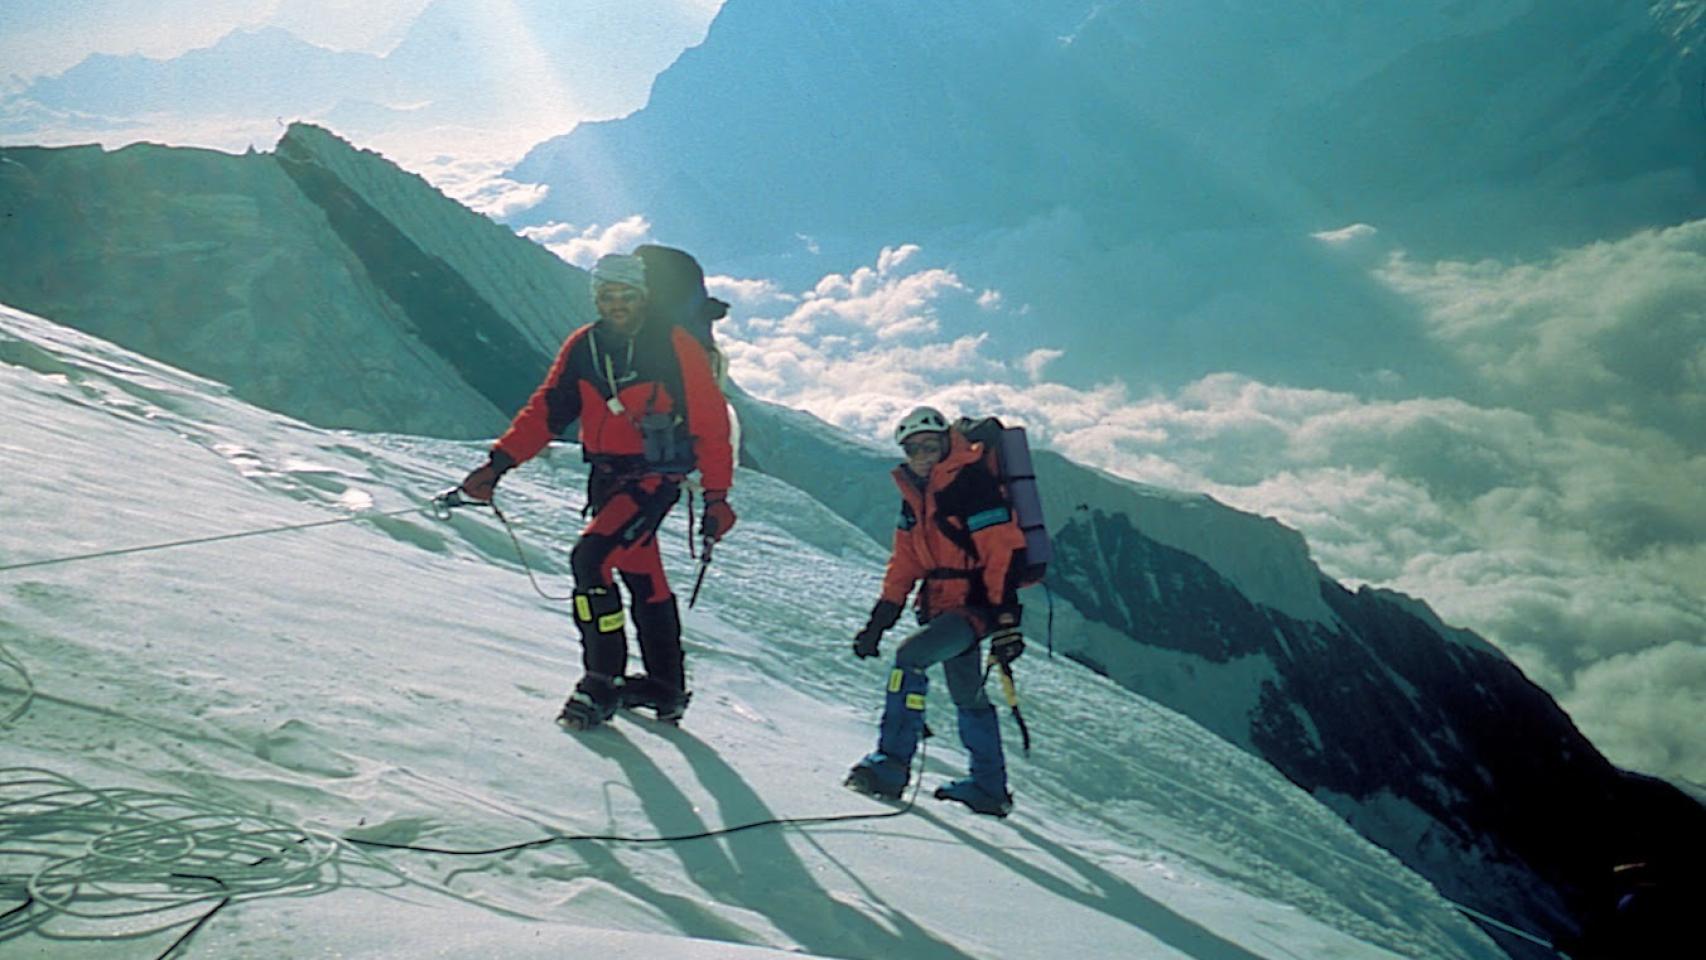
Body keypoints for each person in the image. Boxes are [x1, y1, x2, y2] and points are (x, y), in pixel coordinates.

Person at [457, 251, 736, 729]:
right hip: (608, 477)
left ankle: (600, 681)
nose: (617, 304)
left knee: (590, 560)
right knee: (640, 570)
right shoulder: (584, 347)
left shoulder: (673, 345)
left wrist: (716, 496)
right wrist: (498, 464)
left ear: (643, 297)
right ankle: (666, 685)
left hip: (654, 478)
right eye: (607, 296)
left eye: (626, 295)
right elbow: (547, 409)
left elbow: (709, 421)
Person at [844, 405, 1028, 817]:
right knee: (968, 693)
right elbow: (905, 561)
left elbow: (1000, 552)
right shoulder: (917, 497)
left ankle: (891, 766)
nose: (924, 455)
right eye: (914, 449)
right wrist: (881, 618)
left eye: (931, 445)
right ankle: (989, 787)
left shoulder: (972, 483)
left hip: (976, 606)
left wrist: (1004, 620)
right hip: (944, 606)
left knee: (910, 659)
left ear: (947, 441)